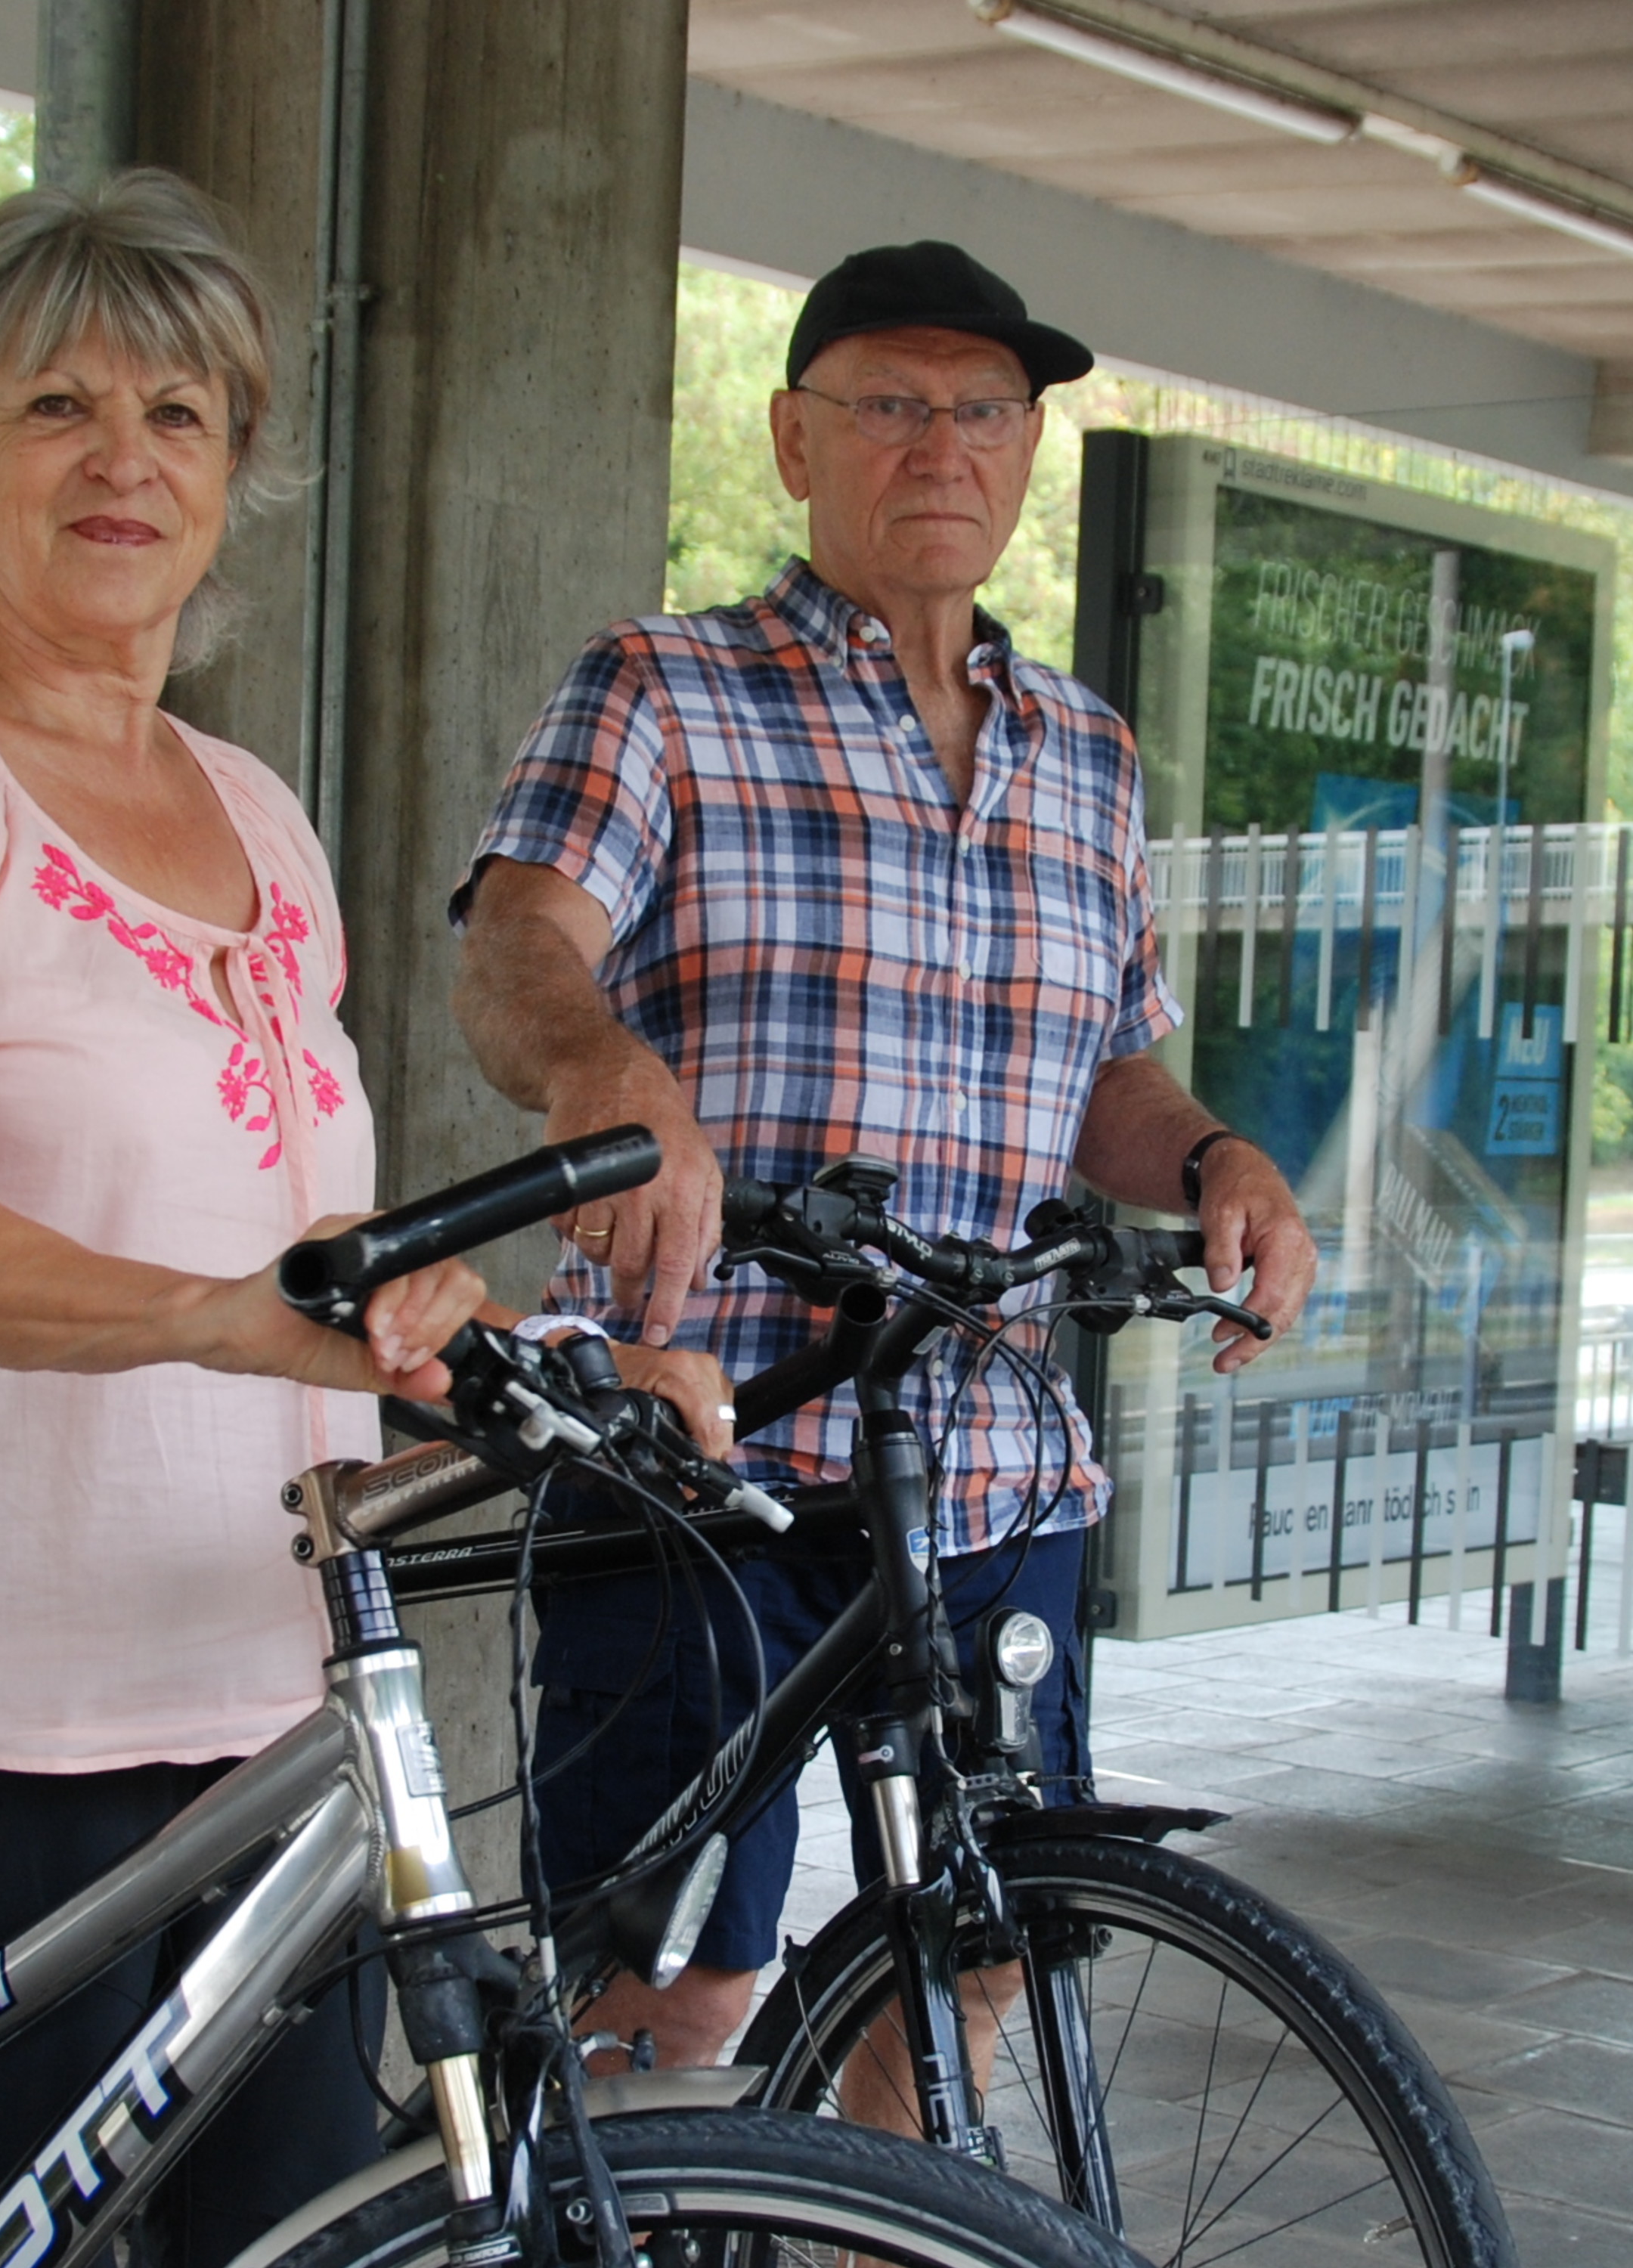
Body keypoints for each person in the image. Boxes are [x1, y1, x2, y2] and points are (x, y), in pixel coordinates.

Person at [0, 174, 496, 2268]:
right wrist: (231, 1322)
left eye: (180, 413)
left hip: (267, 1704)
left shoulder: (257, 812)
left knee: (307, 2241)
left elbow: (298, 1228)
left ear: (238, 470)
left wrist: (467, 1337)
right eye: (56, 405)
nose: (124, 459)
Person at [451, 240, 1318, 2075]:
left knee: (973, 1968)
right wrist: (602, 1059)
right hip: (707, 1451)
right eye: (896, 405)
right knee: (668, 1988)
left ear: (1025, 452)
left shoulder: (1086, 751)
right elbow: (515, 943)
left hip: (992, 1465)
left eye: (988, 410)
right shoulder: (662, 691)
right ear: (792, 440)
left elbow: (1108, 1074)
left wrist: (1220, 1158)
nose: (948, 445)